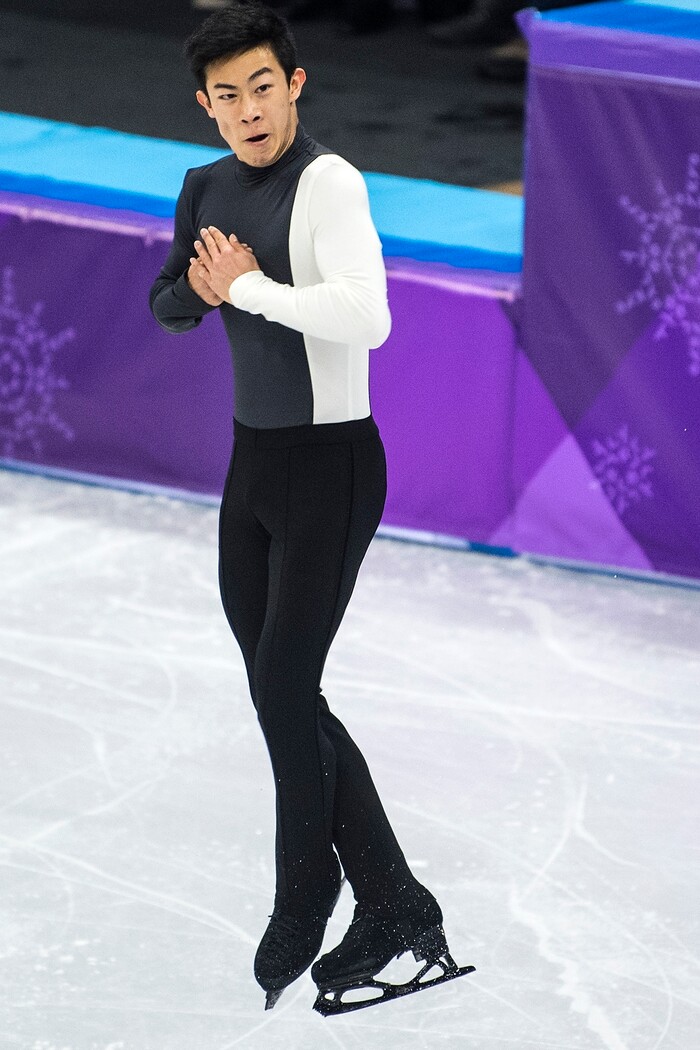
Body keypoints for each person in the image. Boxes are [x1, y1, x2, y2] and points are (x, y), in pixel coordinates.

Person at [149, 0, 472, 1014]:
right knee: (279, 693)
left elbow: (365, 316)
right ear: (205, 105)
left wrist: (242, 291)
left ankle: (308, 890)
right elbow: (167, 300)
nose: (246, 107)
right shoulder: (202, 185)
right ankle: (396, 903)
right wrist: (203, 292)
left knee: (288, 691)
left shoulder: (328, 184)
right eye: (225, 94)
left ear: (295, 83)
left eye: (261, 85)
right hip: (253, 472)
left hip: (331, 469)